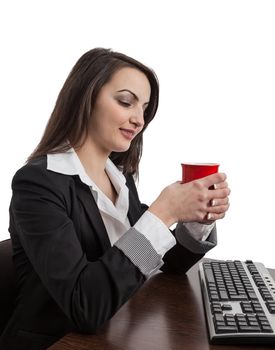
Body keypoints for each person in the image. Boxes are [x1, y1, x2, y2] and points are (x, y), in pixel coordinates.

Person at [1, 48, 230, 350]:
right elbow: (86, 305)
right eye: (126, 102)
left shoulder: (120, 179)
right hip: (60, 342)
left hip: (121, 331)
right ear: (86, 97)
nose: (139, 120)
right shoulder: (38, 183)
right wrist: (161, 214)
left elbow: (162, 264)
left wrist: (195, 219)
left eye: (145, 109)